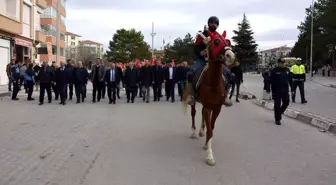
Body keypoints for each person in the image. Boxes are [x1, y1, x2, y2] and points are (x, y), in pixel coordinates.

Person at [186, 16, 233, 106]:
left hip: (215, 60)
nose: (213, 24)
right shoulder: (201, 35)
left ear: (217, 25)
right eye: (212, 23)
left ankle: (225, 96)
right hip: (203, 59)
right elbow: (196, 48)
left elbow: (223, 48)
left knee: (230, 75)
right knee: (190, 73)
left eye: (215, 23)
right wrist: (201, 52)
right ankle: (191, 95)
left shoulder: (219, 36)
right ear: (208, 24)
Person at [270, 58, 293, 125]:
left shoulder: (287, 70)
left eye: (283, 63)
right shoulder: (274, 70)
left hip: (285, 90)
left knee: (286, 102)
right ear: (278, 63)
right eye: (281, 63)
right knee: (277, 105)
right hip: (277, 90)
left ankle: (279, 113)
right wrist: (272, 91)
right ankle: (277, 119)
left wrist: (292, 89)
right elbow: (271, 81)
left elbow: (290, 80)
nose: (282, 64)